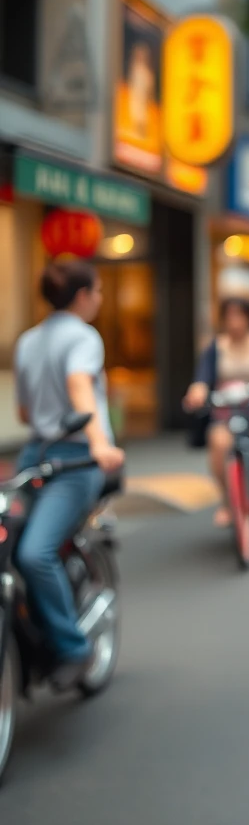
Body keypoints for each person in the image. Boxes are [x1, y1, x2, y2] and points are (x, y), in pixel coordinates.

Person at [13, 261, 124, 690]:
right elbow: (80, 386)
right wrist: (98, 441)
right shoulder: (83, 336)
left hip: (42, 455)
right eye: (96, 292)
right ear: (81, 296)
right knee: (30, 553)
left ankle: (74, 648)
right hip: (74, 456)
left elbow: (25, 411)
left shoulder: (28, 341)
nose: (98, 299)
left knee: (31, 553)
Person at [183, 297, 249, 527]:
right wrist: (197, 391)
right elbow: (202, 377)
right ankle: (228, 500)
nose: (234, 322)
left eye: (239, 315)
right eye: (229, 316)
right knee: (218, 442)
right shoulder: (216, 347)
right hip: (226, 408)